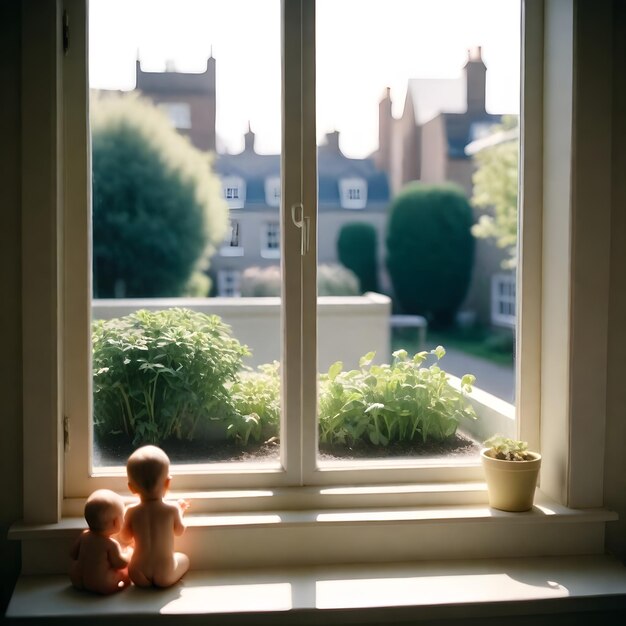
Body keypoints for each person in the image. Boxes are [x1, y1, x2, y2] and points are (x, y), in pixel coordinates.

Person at [120, 445, 190, 588]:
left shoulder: (131, 511)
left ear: (131, 488)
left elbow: (125, 538)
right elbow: (179, 531)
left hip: (137, 572)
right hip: (165, 573)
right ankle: (164, 579)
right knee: (184, 559)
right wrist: (181, 512)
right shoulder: (172, 509)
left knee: (131, 555)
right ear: (167, 483)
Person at [70, 489, 131, 594]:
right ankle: (124, 585)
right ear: (116, 522)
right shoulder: (110, 544)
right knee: (124, 573)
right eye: (122, 516)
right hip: (100, 584)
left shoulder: (84, 536)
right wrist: (128, 554)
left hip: (78, 579)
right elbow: (120, 563)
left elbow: (72, 554)